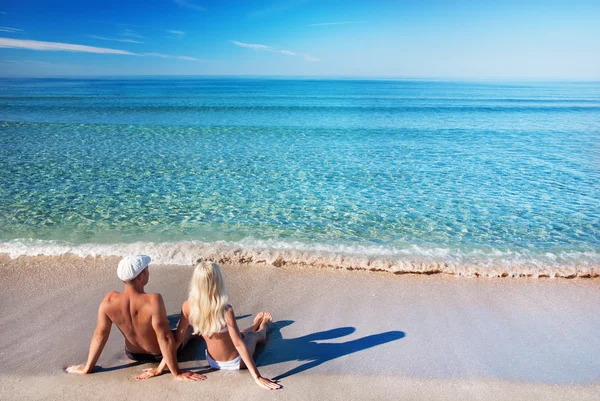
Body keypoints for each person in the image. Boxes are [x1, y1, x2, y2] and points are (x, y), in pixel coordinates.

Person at [136, 261, 282, 390]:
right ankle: (264, 326)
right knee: (252, 336)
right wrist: (257, 377)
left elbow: (177, 340)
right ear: (218, 283)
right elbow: (238, 345)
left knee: (238, 334)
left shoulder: (188, 306)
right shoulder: (225, 309)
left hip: (212, 362)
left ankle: (256, 323)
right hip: (237, 362)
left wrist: (160, 368)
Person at [66, 255, 205, 382]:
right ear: (141, 277)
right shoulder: (153, 300)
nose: (148, 272)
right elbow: (165, 338)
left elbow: (100, 335)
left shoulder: (108, 300)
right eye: (147, 270)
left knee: (161, 322)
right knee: (190, 329)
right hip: (159, 354)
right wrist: (176, 373)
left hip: (133, 354)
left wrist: (87, 368)